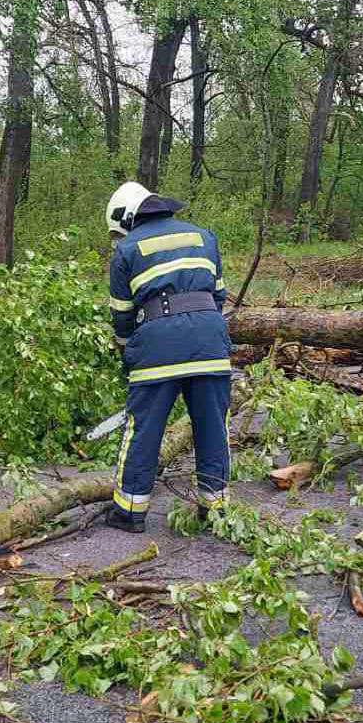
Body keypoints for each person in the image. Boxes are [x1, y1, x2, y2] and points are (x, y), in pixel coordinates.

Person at [103, 181, 233, 533]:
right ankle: (216, 509)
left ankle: (129, 511)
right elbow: (218, 296)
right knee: (212, 427)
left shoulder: (127, 250)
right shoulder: (204, 237)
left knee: (143, 428)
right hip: (210, 340)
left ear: (127, 217)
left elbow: (123, 316)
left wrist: (128, 353)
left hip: (157, 343)